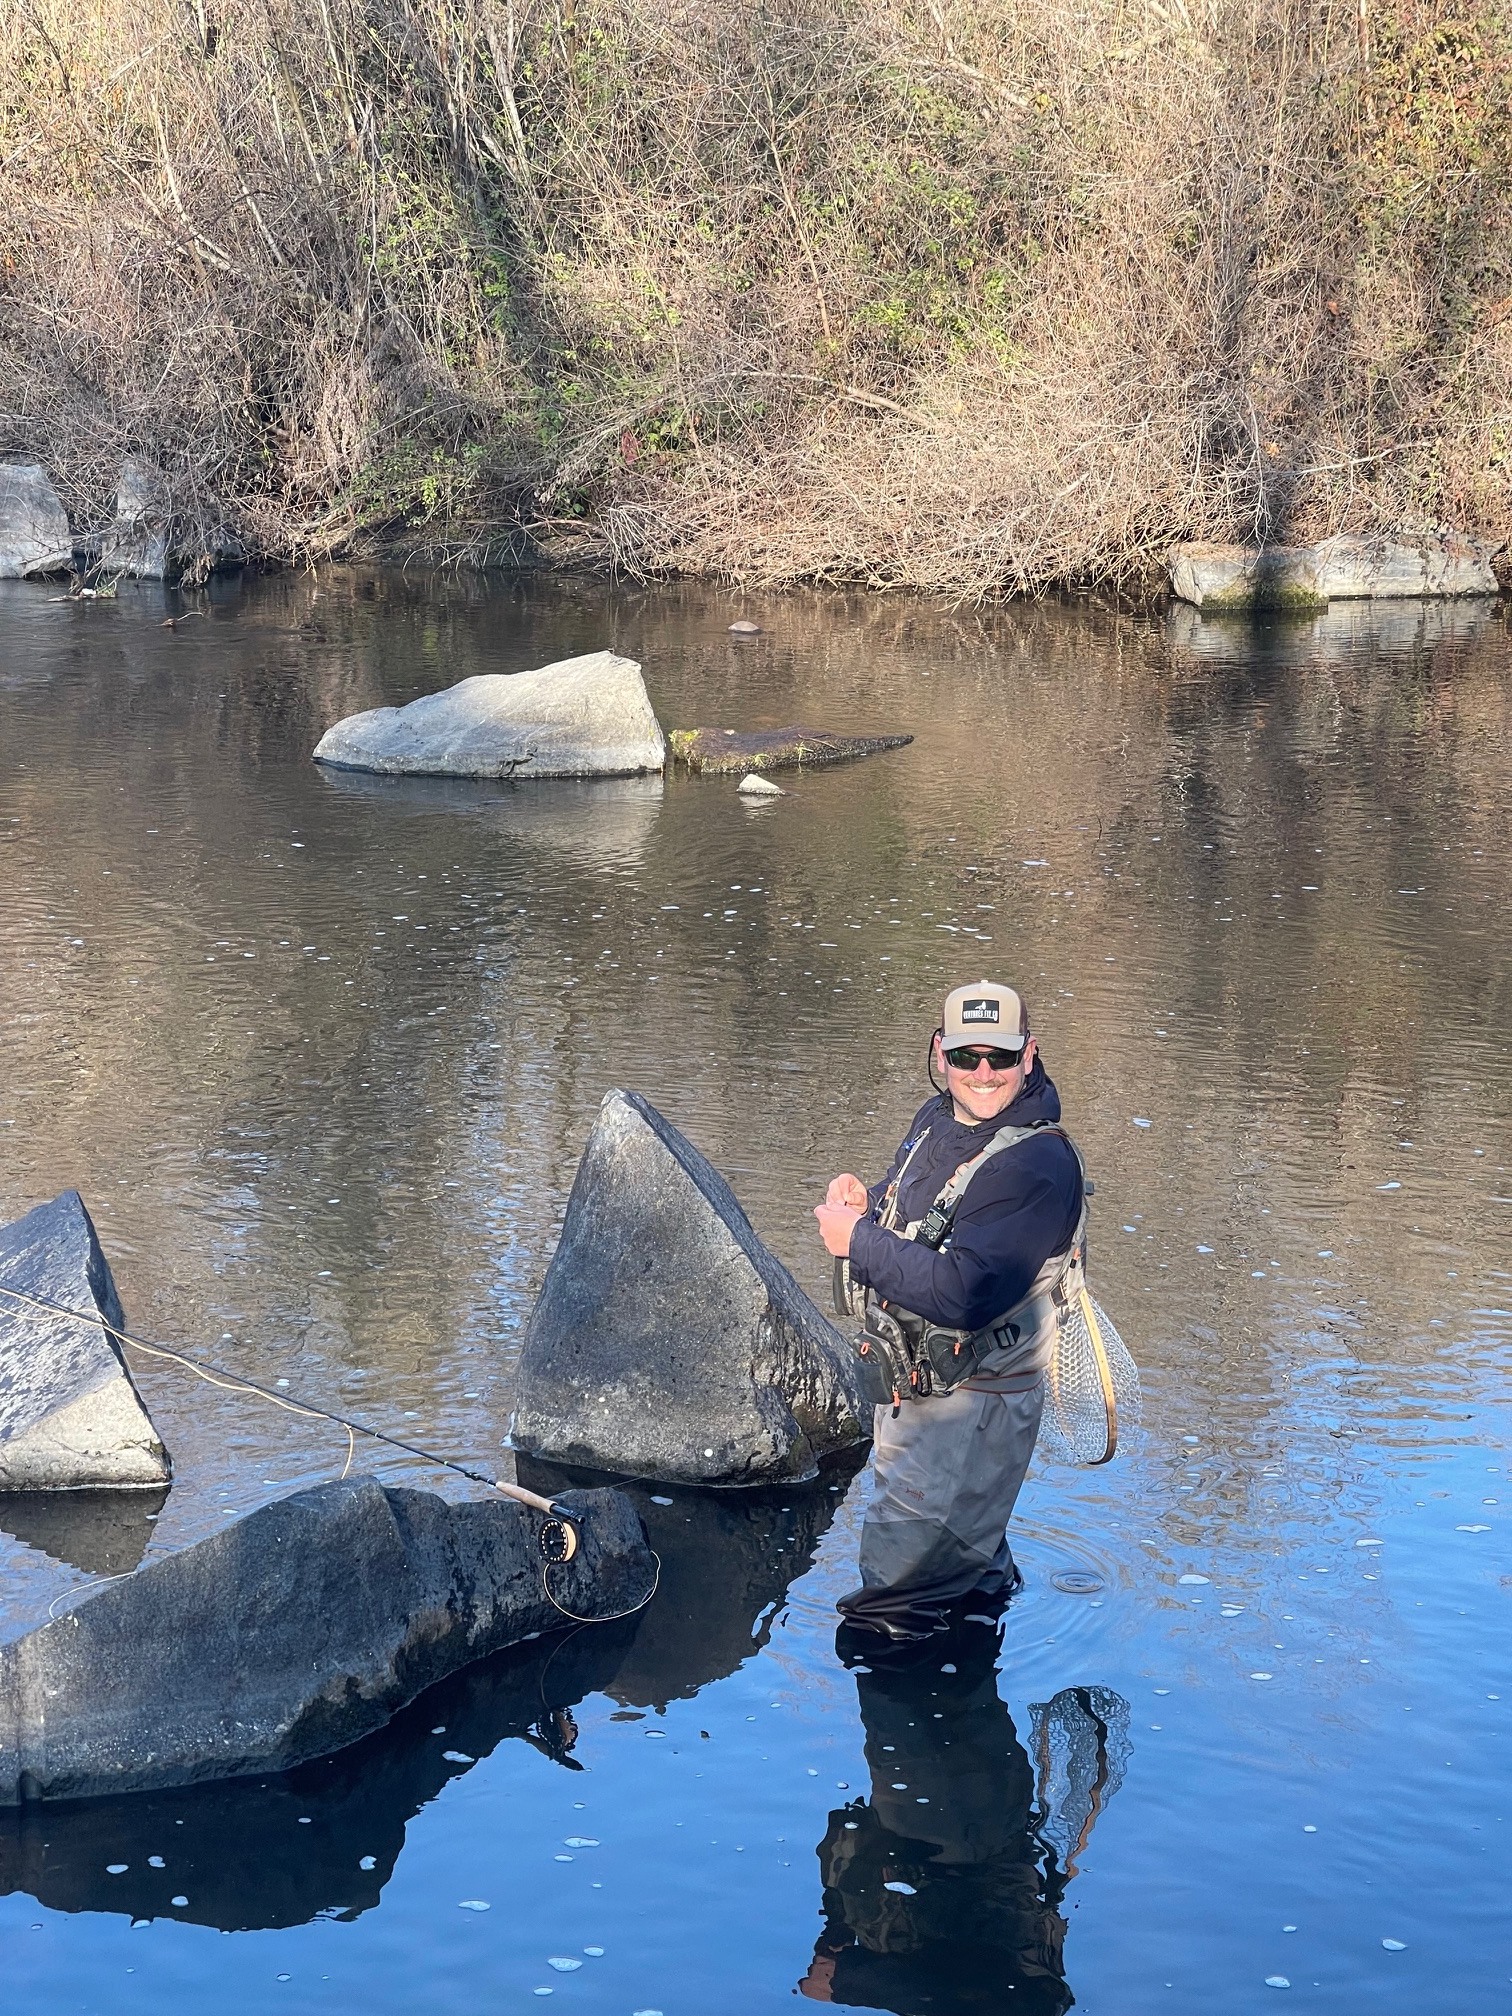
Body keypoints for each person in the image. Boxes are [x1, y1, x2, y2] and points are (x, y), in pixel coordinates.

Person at [814, 980, 1085, 1641]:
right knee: (967, 1577)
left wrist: (858, 1243)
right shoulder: (940, 1118)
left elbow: (965, 1293)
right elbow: (919, 1205)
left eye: (1001, 1057)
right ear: (941, 1053)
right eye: (967, 1057)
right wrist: (867, 1202)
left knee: (891, 1616)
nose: (983, 1074)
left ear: (1029, 1055)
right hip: (920, 1402)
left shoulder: (1035, 1165)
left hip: (971, 1414)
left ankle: (919, 1693)